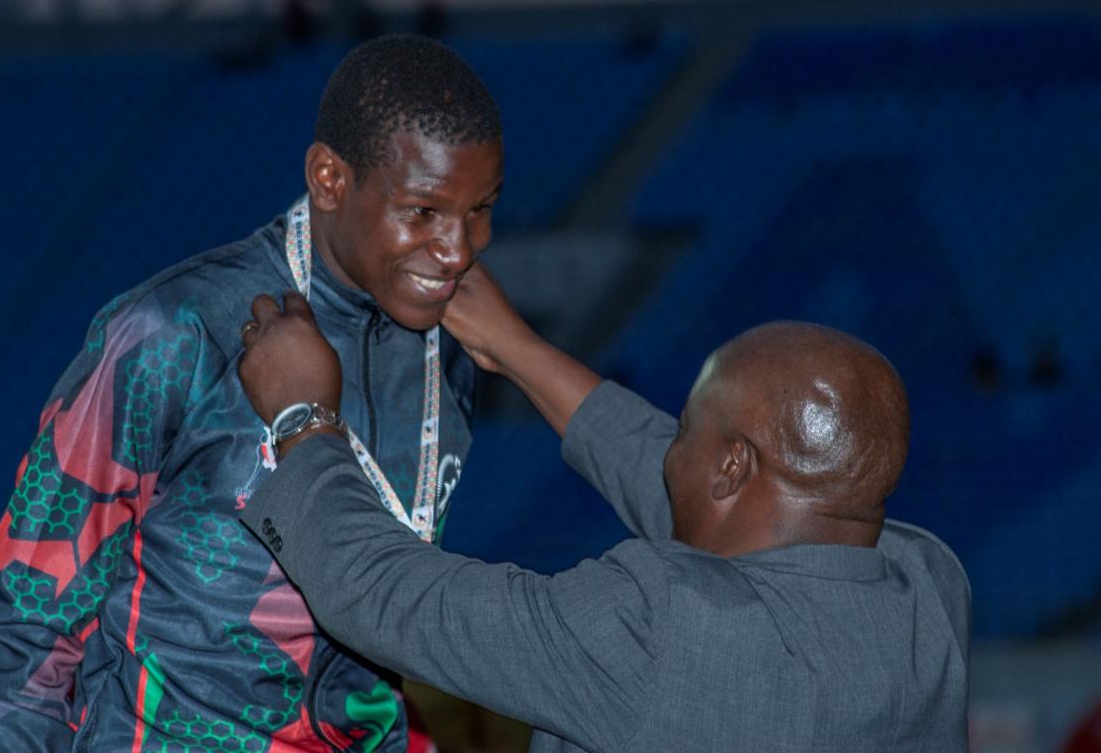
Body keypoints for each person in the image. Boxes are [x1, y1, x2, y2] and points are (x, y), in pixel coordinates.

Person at [0, 35, 503, 752]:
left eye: (480, 211)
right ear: (330, 178)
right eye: (425, 212)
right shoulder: (175, 333)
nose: (459, 250)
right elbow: (26, 622)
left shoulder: (451, 355)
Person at [234, 266, 971, 752]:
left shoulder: (657, 632)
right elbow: (717, 509)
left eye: (684, 427)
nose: (668, 445)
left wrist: (303, 416)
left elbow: (386, 593)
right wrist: (516, 350)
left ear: (734, 465)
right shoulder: (929, 586)